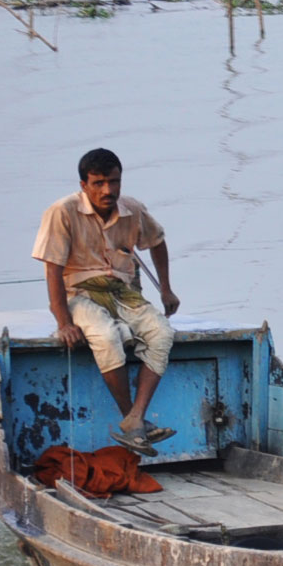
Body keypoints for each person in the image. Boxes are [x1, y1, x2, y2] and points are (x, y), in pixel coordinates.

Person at [32, 148, 181, 456]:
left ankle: (135, 419)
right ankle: (134, 420)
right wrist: (64, 322)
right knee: (107, 336)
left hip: (122, 291)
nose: (108, 191)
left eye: (114, 182)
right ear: (84, 184)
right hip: (80, 293)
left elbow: (157, 242)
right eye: (98, 183)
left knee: (162, 333)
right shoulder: (63, 211)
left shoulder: (132, 209)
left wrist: (166, 289)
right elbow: (53, 270)